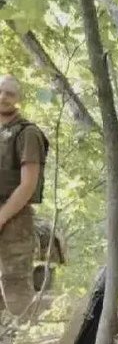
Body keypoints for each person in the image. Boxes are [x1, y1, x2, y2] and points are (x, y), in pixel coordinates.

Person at [0, 74, 48, 319]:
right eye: (0, 91)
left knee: (15, 288)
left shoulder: (27, 133)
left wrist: (2, 217)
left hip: (15, 221)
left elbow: (27, 185)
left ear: (19, 98)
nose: (3, 97)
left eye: (9, 93)